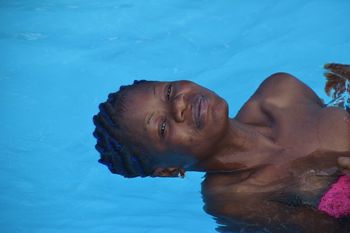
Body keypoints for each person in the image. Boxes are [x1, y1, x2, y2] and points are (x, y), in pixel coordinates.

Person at [93, 63, 350, 233]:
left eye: (169, 91)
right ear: (169, 170)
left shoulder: (281, 92)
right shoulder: (234, 198)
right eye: (162, 127)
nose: (179, 104)